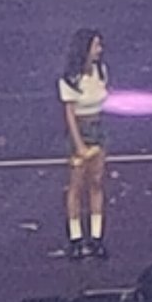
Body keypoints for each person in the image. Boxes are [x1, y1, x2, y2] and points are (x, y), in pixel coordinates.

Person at [59, 28, 110, 260]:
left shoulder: (101, 71)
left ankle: (97, 237)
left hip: (98, 129)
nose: (99, 50)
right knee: (76, 185)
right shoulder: (70, 78)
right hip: (80, 129)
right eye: (96, 45)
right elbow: (69, 114)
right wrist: (78, 144)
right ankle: (76, 238)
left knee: (96, 182)